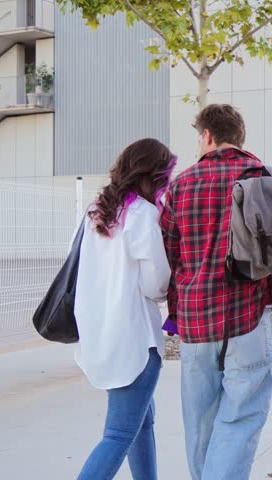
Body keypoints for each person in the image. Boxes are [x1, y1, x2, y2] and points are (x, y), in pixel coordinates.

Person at [160, 104, 272, 479]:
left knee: (200, 423)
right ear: (240, 136)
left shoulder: (180, 186)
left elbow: (169, 253)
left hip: (197, 318)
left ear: (207, 136)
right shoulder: (270, 178)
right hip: (249, 313)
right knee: (241, 418)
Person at [75, 138, 176, 480]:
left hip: (100, 335)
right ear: (155, 175)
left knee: (141, 423)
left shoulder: (94, 211)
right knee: (119, 434)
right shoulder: (143, 215)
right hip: (135, 340)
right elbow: (156, 284)